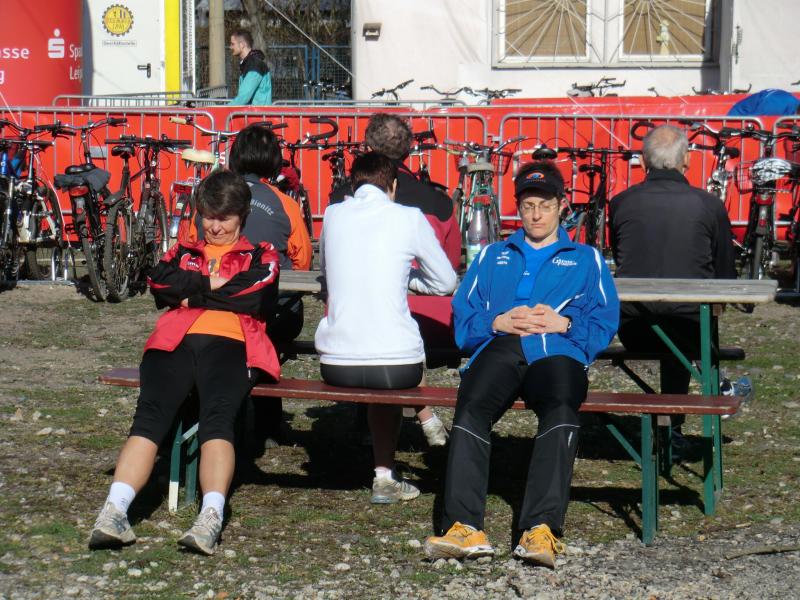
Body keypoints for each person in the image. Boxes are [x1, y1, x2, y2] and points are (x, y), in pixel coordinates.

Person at [424, 161, 619, 568]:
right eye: (529, 206)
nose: (536, 215)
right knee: (472, 404)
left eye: (545, 206)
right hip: (501, 347)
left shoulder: (586, 258)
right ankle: (464, 526)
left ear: (562, 206)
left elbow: (604, 319)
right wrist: (495, 322)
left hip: (558, 350)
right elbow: (463, 314)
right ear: (518, 207)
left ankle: (541, 528)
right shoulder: (493, 254)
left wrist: (566, 324)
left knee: (561, 406)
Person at [88, 170, 280, 556]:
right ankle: (114, 511)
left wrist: (190, 295)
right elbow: (159, 282)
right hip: (171, 343)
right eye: (208, 217)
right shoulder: (183, 251)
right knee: (149, 419)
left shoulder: (262, 254)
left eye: (224, 218)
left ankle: (210, 516)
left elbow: (254, 296)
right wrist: (213, 287)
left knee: (217, 419)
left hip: (232, 344)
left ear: (242, 216)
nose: (215, 227)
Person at [315, 152, 457, 504]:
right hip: (396, 366)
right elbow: (445, 281)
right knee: (390, 354)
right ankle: (385, 474)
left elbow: (326, 271)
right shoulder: (408, 217)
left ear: (353, 185)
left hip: (336, 362)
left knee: (379, 354)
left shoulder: (332, 215)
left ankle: (385, 475)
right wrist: (408, 280)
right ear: (392, 186)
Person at [609, 124, 737, 455]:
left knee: (670, 321)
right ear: (687, 161)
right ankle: (675, 428)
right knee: (686, 323)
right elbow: (725, 274)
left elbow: (623, 257)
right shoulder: (709, 205)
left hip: (634, 327)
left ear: (642, 161)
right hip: (691, 328)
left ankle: (670, 427)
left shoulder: (621, 203)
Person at [335, 113, 461, 445]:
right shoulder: (438, 202)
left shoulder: (341, 202)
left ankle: (379, 429)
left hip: (357, 323)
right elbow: (450, 265)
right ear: (409, 150)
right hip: (432, 317)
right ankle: (422, 419)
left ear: (367, 146)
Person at [228, 124, 312, 450]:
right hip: (274, 313)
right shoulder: (285, 204)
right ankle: (267, 422)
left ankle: (239, 419)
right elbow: (302, 262)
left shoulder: (214, 198)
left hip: (223, 308)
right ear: (274, 160)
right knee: (267, 331)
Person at [228, 29, 272, 106]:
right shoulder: (249, 64)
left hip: (258, 112)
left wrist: (224, 109)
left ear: (242, 45)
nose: (230, 47)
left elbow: (243, 97)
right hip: (255, 111)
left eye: (233, 44)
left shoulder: (254, 65)